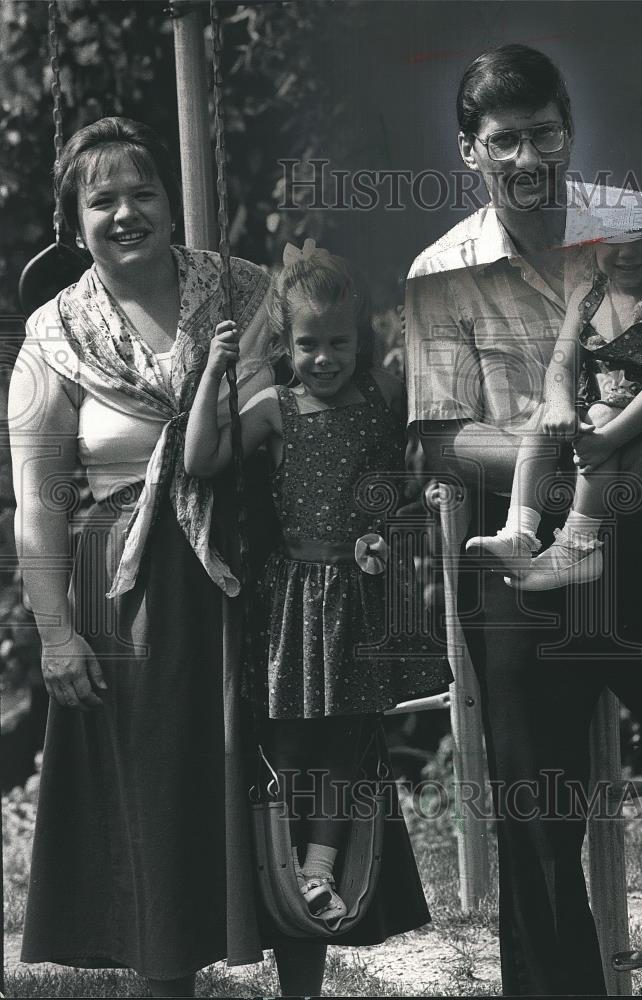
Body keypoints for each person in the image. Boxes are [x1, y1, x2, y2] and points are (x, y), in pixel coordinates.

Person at [405, 44, 642, 995]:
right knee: (534, 818)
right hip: (520, 560)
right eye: (502, 143)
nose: (526, 159)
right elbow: (444, 442)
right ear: (469, 153)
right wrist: (569, 457)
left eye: (541, 134)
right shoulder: (438, 270)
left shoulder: (636, 222)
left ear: (567, 131)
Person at [8, 117, 322, 998]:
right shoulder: (51, 335)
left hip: (262, 566)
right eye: (101, 199)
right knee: (157, 814)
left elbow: (314, 400)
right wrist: (57, 633)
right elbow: (38, 500)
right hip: (129, 595)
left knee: (288, 786)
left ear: (171, 201)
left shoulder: (247, 290)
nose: (125, 212)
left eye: (142, 191)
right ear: (74, 224)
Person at [185, 242, 448, 932]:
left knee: (346, 738)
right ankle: (274, 858)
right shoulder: (275, 406)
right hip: (297, 595)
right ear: (284, 343)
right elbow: (201, 458)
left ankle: (320, 870)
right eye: (308, 344)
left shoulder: (382, 394)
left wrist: (396, 527)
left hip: (362, 591)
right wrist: (217, 368)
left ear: (359, 338)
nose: (324, 358)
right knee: (290, 736)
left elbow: (406, 474)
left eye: (337, 342)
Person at [467, 220, 642, 589]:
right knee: (546, 416)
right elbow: (562, 362)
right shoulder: (587, 294)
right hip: (600, 416)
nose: (626, 252)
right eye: (611, 241)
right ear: (591, 243)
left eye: (641, 239)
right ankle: (519, 536)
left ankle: (578, 547)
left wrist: (606, 439)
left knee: (601, 415)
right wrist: (559, 408)